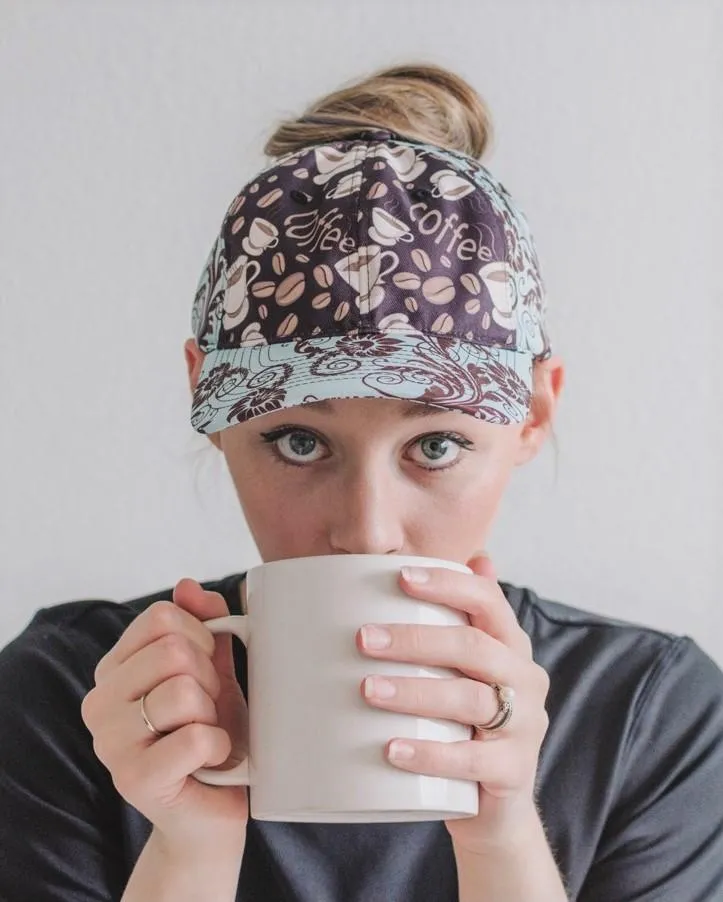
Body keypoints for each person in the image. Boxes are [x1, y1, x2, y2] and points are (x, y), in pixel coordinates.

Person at [1, 61, 721, 902]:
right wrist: (187, 846)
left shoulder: (651, 717)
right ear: (210, 401)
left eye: (437, 446)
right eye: (299, 440)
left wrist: (502, 837)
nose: (367, 529)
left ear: (531, 415)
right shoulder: (68, 702)